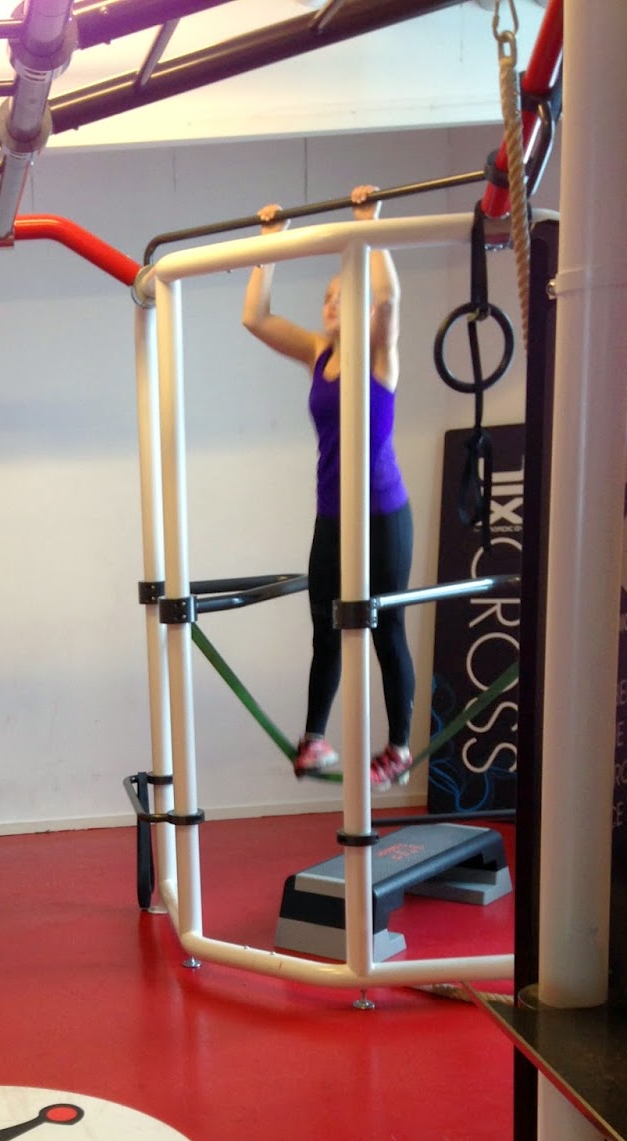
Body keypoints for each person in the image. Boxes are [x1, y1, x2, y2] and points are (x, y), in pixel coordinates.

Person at [242, 183, 416, 791]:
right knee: (327, 630)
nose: (331, 304)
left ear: (367, 309)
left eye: (344, 296)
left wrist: (368, 224)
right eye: (327, 297)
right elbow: (255, 318)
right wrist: (270, 244)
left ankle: (399, 749)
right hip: (332, 514)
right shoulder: (319, 353)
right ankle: (314, 739)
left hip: (383, 514)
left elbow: (390, 296)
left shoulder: (381, 357)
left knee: (385, 630)